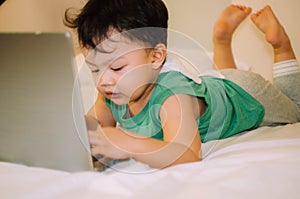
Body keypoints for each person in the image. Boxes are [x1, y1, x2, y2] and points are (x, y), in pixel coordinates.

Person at [64, 0, 300, 169]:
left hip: (245, 92)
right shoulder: (112, 90)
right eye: (94, 69)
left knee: (296, 110)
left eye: (116, 68)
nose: (103, 80)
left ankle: (281, 46)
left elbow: (187, 155)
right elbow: (94, 128)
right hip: (215, 82)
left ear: (156, 57)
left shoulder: (172, 95)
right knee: (223, 74)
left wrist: (127, 143)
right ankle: (222, 41)